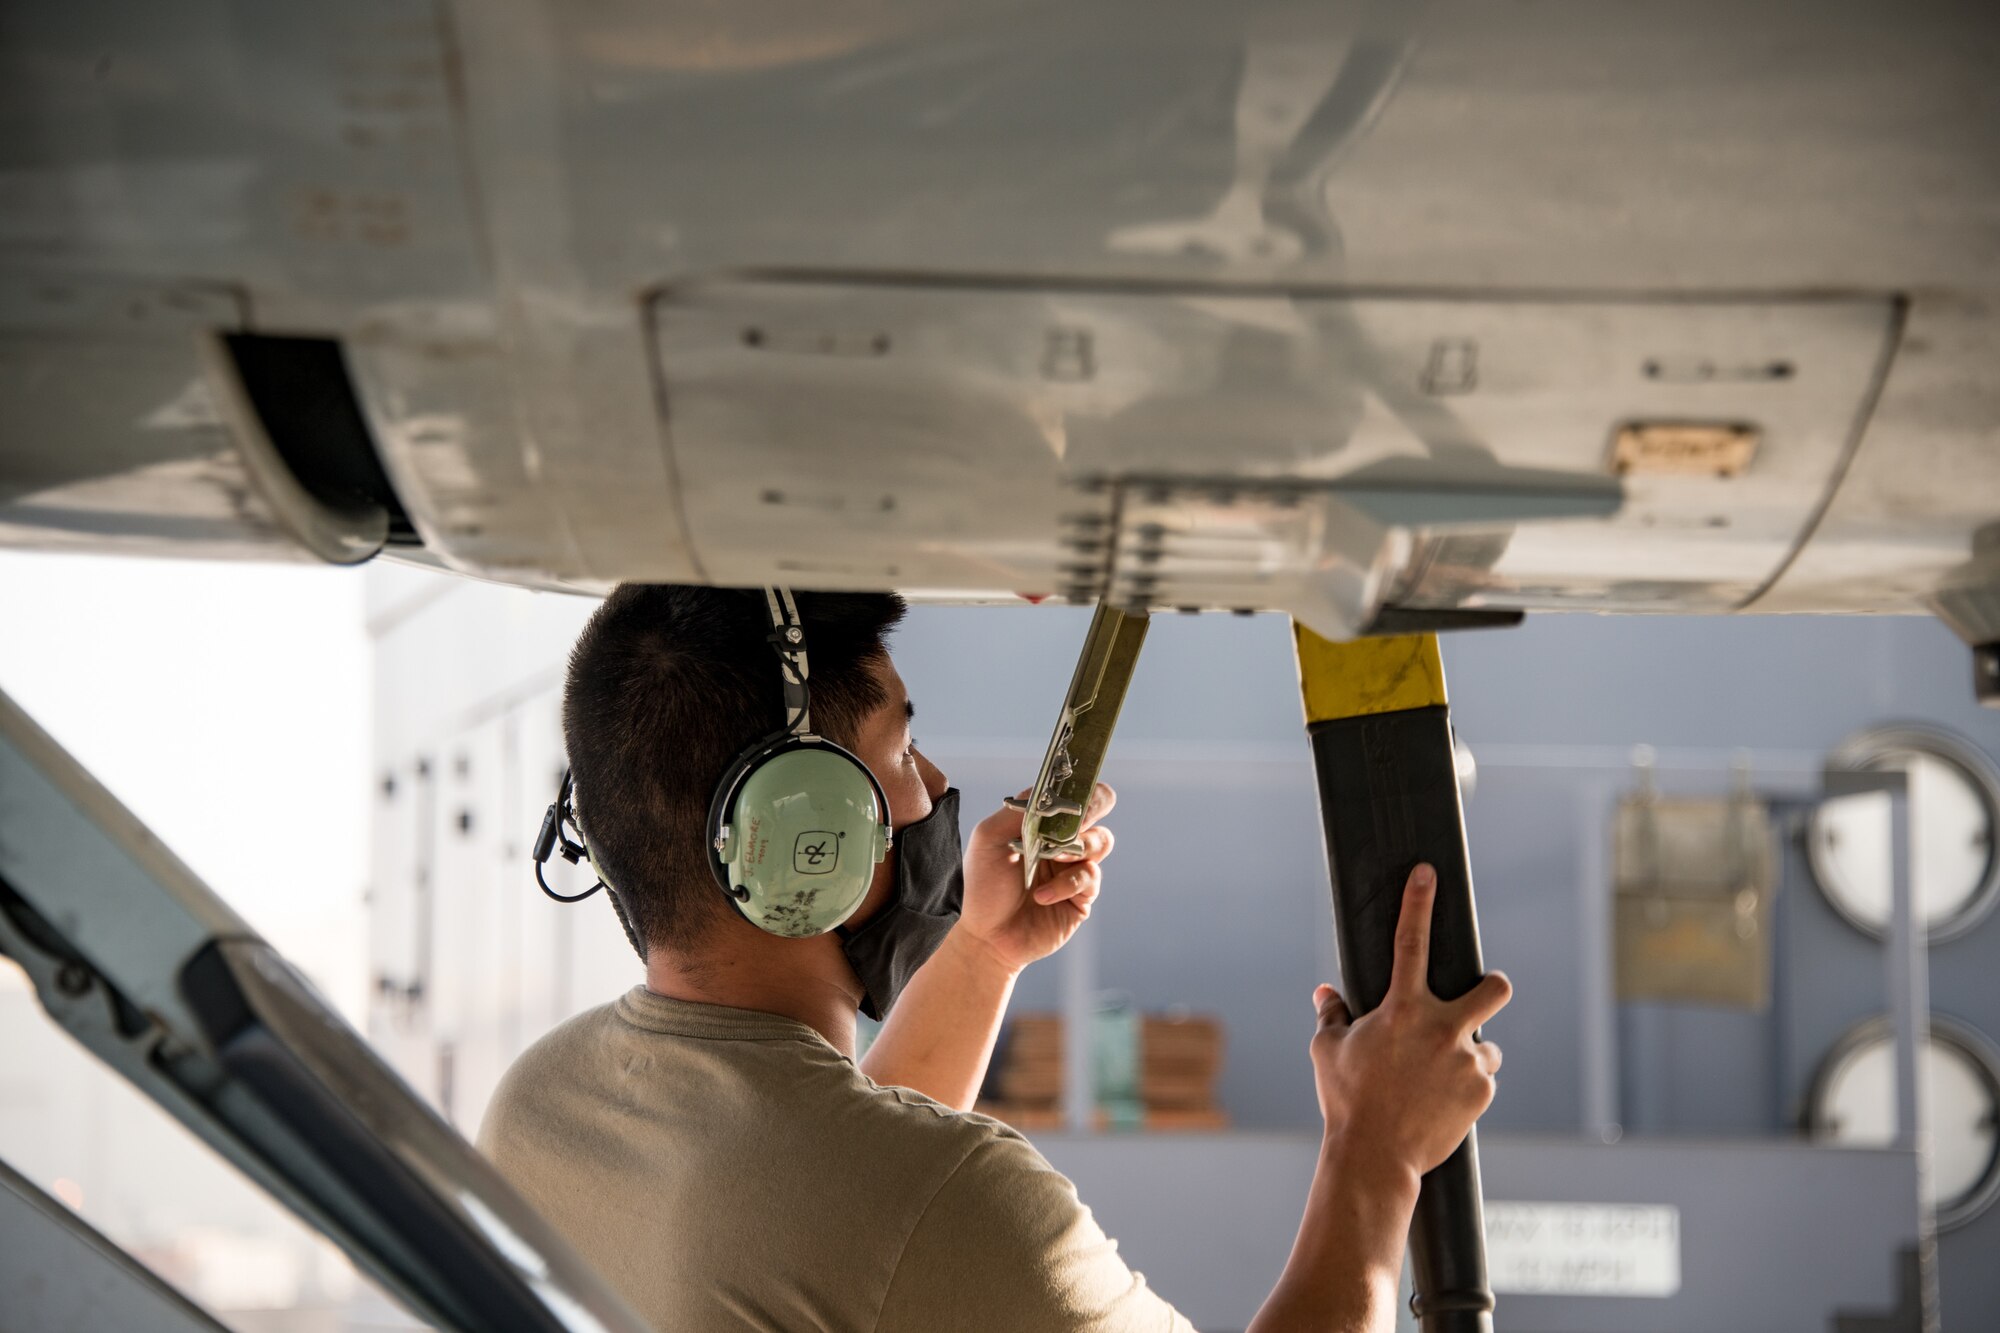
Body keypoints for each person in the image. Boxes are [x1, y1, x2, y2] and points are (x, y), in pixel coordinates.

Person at [479, 584, 1510, 1332]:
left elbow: (827, 1207)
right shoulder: (950, 1204)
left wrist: (978, 950)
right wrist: (1375, 1150)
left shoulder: (540, 1111)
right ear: (808, 837)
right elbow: (874, 1212)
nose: (929, 784)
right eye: (896, 753)